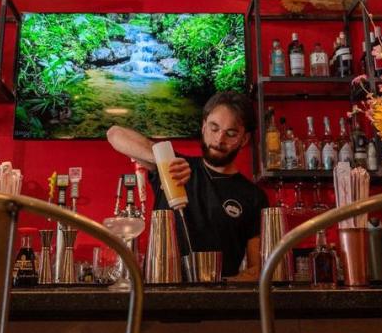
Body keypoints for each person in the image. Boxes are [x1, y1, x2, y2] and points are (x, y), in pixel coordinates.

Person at [107, 90, 269, 280]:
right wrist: (163, 161)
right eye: (214, 128)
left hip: (220, 300)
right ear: (203, 127)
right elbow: (114, 134)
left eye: (231, 134)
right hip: (160, 294)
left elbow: (258, 269)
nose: (219, 140)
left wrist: (222, 287)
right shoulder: (176, 168)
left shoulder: (253, 196)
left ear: (244, 139)